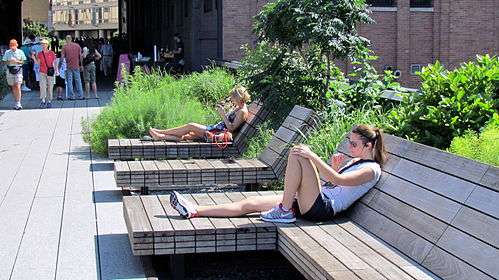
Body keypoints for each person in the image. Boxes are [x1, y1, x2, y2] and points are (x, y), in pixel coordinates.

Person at [170, 124, 386, 223]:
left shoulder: (371, 170)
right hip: (314, 200)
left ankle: (284, 210)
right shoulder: (357, 161)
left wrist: (315, 157)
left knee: (300, 154)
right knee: (251, 203)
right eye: (349, 141)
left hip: (322, 208)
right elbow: (338, 184)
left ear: (369, 146)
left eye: (354, 143)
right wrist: (336, 166)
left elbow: (336, 180)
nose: (349, 146)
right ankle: (194, 210)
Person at [148, 86, 251, 142]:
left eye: (233, 97)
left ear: (238, 97)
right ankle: (160, 136)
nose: (231, 99)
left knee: (191, 125)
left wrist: (223, 115)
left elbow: (232, 128)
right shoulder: (239, 107)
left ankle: (161, 131)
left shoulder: (242, 111)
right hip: (215, 129)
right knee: (188, 135)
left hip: (216, 133)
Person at [32, 39, 57, 108]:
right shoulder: (40, 53)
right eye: (42, 44)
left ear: (47, 45)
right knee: (42, 86)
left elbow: (55, 62)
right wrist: (34, 58)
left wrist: (56, 70)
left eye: (44, 44)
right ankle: (43, 100)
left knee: (50, 87)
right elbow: (38, 64)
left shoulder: (51, 53)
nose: (43, 46)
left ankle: (49, 101)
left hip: (50, 72)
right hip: (42, 72)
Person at [2, 39, 27, 110]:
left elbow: (24, 61)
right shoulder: (7, 52)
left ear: (17, 45)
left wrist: (17, 61)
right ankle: (16, 101)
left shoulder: (20, 52)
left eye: (14, 45)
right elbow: (3, 62)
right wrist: (9, 61)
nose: (12, 47)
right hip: (10, 70)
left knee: (17, 85)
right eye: (11, 46)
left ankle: (18, 103)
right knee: (13, 86)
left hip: (18, 69)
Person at [61, 35, 84, 100]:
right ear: (71, 39)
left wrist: (60, 66)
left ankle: (71, 96)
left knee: (69, 81)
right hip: (76, 65)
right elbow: (81, 56)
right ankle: (81, 95)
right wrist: (81, 65)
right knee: (78, 80)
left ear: (66, 39)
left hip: (68, 66)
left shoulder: (64, 47)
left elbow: (62, 58)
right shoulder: (77, 46)